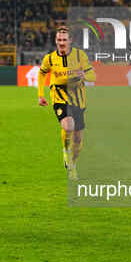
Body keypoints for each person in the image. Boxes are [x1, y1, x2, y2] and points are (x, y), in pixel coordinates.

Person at [38, 26, 96, 179]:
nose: (61, 42)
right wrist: (40, 95)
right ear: (55, 41)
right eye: (59, 40)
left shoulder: (79, 55)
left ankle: (73, 165)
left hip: (78, 99)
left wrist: (84, 75)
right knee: (68, 125)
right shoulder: (49, 58)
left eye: (64, 40)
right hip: (59, 97)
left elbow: (93, 76)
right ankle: (65, 151)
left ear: (70, 40)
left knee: (78, 139)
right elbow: (42, 73)